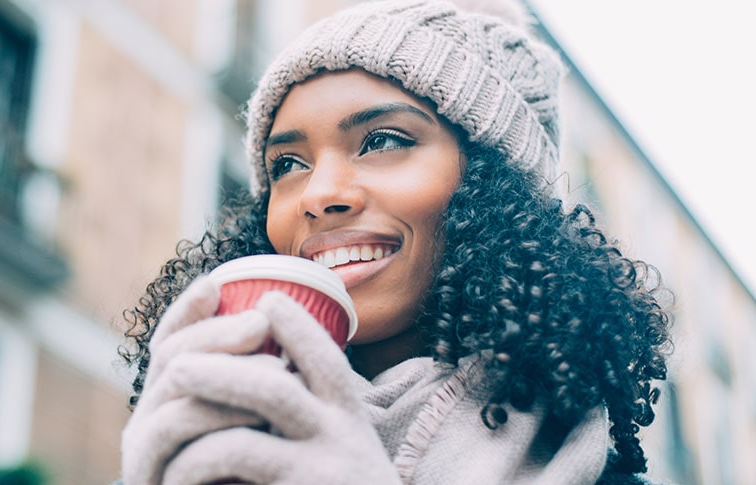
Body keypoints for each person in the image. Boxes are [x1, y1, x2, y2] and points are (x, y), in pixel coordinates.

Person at [118, 0, 672, 483]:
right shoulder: (199, 454)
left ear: (495, 187)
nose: (318, 194)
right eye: (288, 164)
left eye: (381, 141)